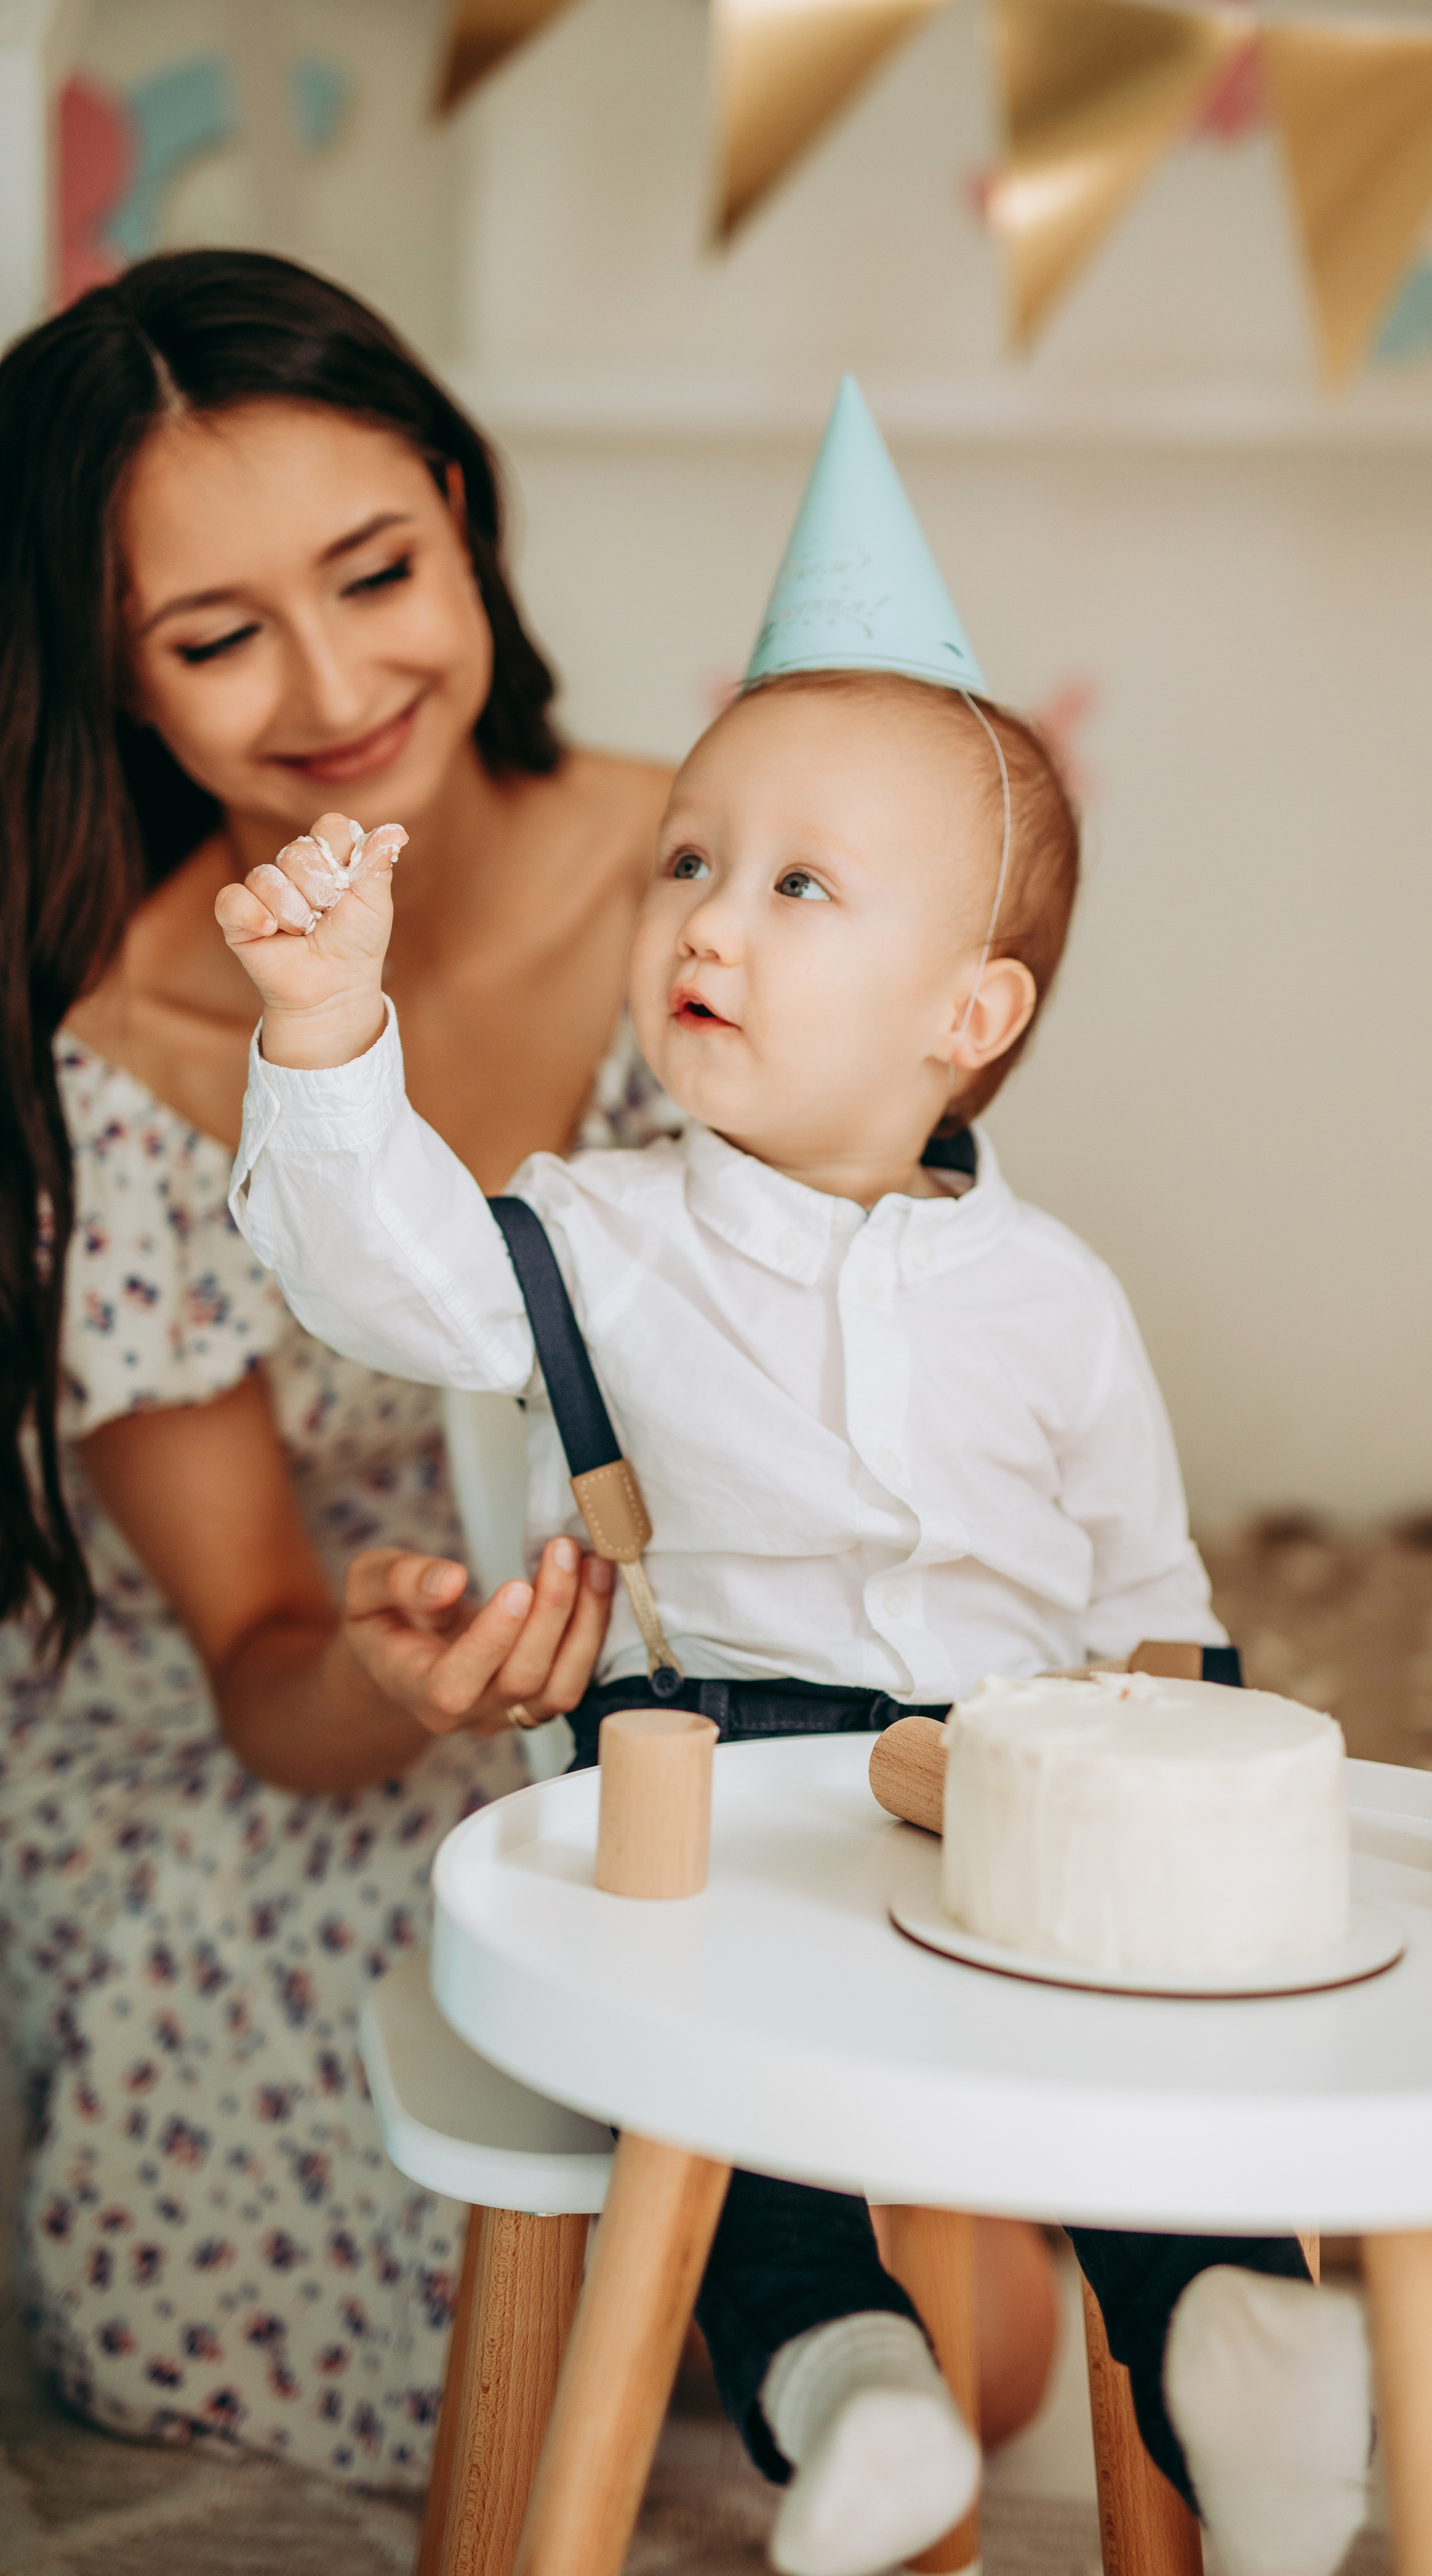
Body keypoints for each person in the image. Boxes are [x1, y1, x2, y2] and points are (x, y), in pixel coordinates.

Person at [220, 380, 1373, 2576]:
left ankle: (1231, 2326)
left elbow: (1149, 1572)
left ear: (967, 1013)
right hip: (719, 1795)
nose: (705, 922)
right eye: (689, 862)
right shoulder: (602, 1230)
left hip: (1026, 1781)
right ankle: (851, 2395)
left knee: (1147, 2048)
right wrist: (322, 1034)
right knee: (725, 2093)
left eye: (798, 885)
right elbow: (390, 1277)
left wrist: (1204, 1774)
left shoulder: (1055, 1295)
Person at [0, 249, 668, 2480]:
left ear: (463, 510)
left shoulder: (725, 881)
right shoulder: (130, 1049)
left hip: (695, 1655)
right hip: (303, 1715)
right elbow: (273, 1663)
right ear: (116, 675)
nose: (330, 684)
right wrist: (396, 1680)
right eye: (214, 635)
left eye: (374, 567)